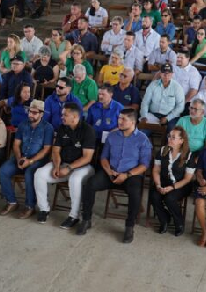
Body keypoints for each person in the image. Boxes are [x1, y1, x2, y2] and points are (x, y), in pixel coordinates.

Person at [78, 109, 151, 243]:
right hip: (111, 172)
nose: (119, 121)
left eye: (123, 119)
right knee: (90, 184)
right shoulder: (112, 136)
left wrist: (127, 174)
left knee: (135, 192)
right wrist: (109, 171)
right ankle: (86, 219)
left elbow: (144, 165)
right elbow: (104, 157)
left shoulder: (142, 139)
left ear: (133, 122)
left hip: (131, 174)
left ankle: (129, 226)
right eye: (119, 118)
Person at [34, 102, 95, 228]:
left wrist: (68, 168)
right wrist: (56, 166)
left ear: (75, 117)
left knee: (75, 179)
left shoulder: (88, 130)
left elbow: (87, 157)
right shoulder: (62, 127)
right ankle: (44, 209)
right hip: (63, 164)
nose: (61, 117)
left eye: (65, 115)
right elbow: (56, 150)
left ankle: (74, 216)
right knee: (39, 173)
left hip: (83, 167)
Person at [0, 99, 53, 218]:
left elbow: (46, 150)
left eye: (34, 113)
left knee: (29, 174)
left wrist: (30, 161)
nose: (31, 115)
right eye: (30, 112)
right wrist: (19, 159)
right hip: (21, 156)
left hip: (37, 159)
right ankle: (12, 202)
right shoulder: (23, 124)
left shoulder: (48, 128)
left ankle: (30, 206)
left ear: (41, 114)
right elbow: (16, 144)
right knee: (3, 171)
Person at [141, 64, 185, 132]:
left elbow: (180, 106)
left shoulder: (177, 87)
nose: (166, 76)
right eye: (164, 74)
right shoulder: (153, 85)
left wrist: (167, 118)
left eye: (169, 74)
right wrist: (144, 116)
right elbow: (145, 102)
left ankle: (166, 142)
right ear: (160, 74)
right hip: (153, 114)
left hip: (171, 116)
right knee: (143, 130)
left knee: (172, 131)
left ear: (172, 74)